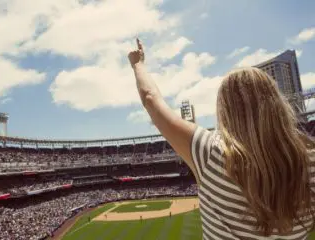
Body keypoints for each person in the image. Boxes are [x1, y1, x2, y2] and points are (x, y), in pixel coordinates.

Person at [128, 39, 315, 239]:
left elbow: (150, 98)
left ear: (225, 110)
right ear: (277, 104)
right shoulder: (311, 160)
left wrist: (137, 63)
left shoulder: (210, 153)